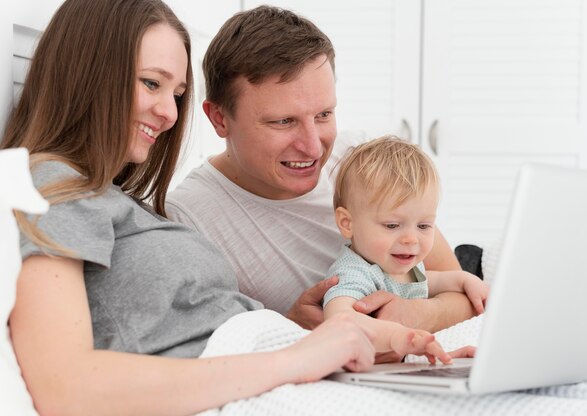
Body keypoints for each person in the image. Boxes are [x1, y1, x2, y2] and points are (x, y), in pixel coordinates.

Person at [3, 1, 456, 414]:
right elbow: (65, 386)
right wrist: (296, 357)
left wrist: (391, 332)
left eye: (175, 92)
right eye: (151, 83)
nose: (169, 113)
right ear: (86, 73)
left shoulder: (109, 199)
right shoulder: (50, 185)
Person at [166, 5, 476, 333]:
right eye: (283, 121)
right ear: (219, 118)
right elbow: (204, 346)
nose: (314, 148)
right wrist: (287, 327)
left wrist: (415, 316)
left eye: (324, 115)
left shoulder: (358, 159)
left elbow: (465, 295)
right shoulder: (188, 220)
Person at [323, 136, 489, 341]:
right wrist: (398, 337)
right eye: (392, 225)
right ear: (348, 223)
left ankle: (474, 263)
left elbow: (433, 280)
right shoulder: (356, 273)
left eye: (424, 226)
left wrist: (465, 280)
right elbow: (340, 317)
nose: (411, 239)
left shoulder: (405, 265)